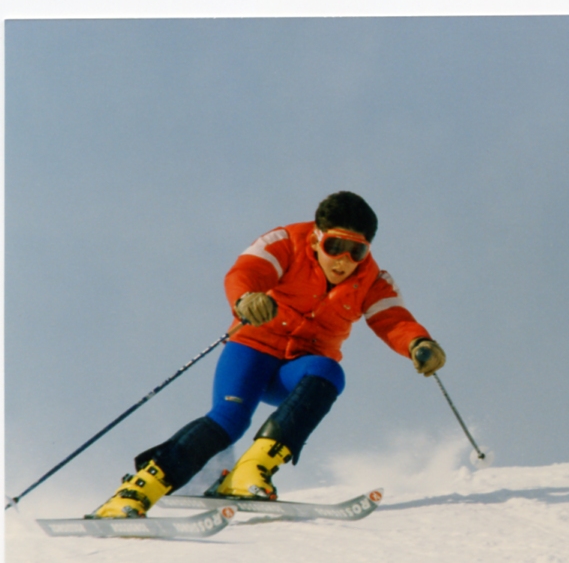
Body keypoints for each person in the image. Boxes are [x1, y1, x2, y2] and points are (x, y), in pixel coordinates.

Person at [92, 190, 445, 518]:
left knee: (329, 372)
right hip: (252, 352)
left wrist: (418, 343)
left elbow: (392, 319)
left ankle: (248, 472)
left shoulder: (371, 280)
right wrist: (247, 299)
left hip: (296, 369)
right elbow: (246, 272)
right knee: (229, 420)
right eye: (335, 245)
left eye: (357, 251)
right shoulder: (286, 242)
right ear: (318, 236)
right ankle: (137, 491)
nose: (344, 260)